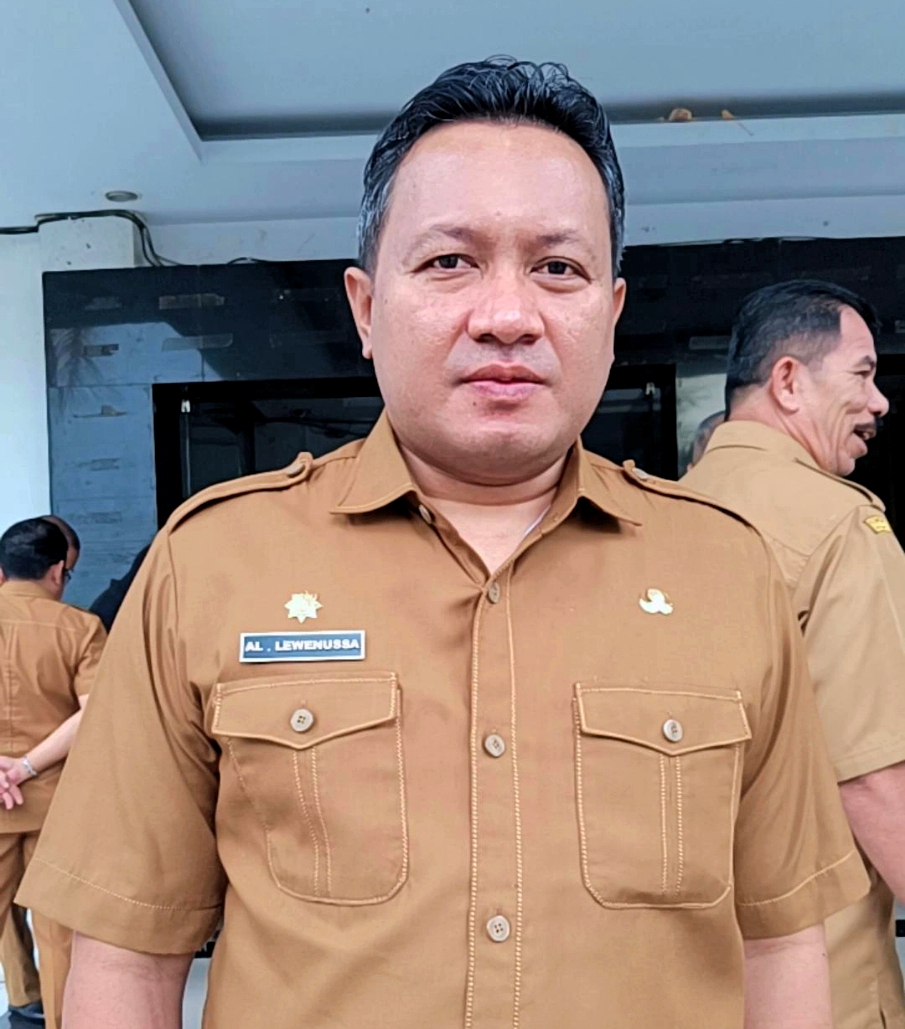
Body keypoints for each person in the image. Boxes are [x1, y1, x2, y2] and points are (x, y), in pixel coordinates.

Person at [20, 60, 867, 1029]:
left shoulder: (727, 574)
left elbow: (777, 943)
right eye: (449, 262)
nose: (506, 317)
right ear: (364, 307)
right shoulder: (210, 565)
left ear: (610, 314)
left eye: (557, 268)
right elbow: (126, 960)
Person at [683, 279, 905, 1029]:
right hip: (820, 978)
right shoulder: (838, 527)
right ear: (787, 381)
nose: (879, 402)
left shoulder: (658, 518)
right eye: (862, 374)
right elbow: (871, 777)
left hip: (684, 980)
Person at [0, 519, 105, 1029]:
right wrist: (24, 767)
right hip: (57, 802)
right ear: (59, 571)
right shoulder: (81, 628)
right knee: (59, 932)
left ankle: (23, 1000)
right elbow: (95, 714)